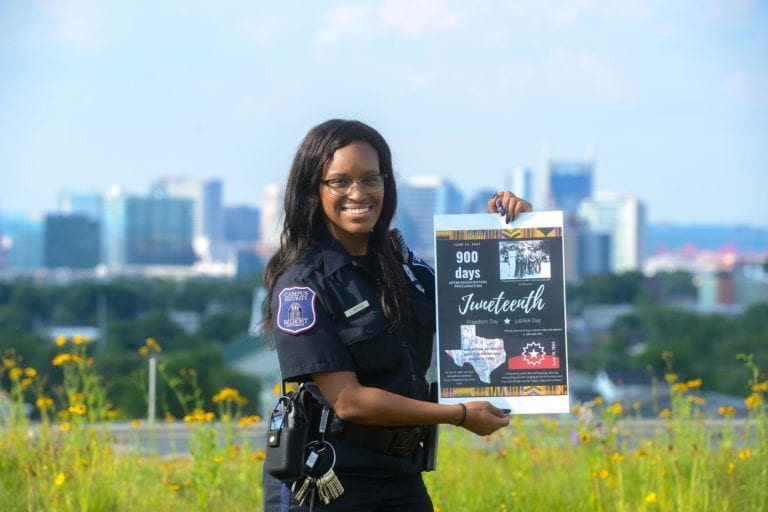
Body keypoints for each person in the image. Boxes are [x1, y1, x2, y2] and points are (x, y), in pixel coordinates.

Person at [260, 119, 533, 511]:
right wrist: (457, 415)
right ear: (312, 190)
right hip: (329, 480)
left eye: (372, 179)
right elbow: (349, 401)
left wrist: (518, 231)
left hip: (401, 475)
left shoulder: (406, 268)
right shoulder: (302, 286)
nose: (358, 193)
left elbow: (493, 310)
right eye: (339, 181)